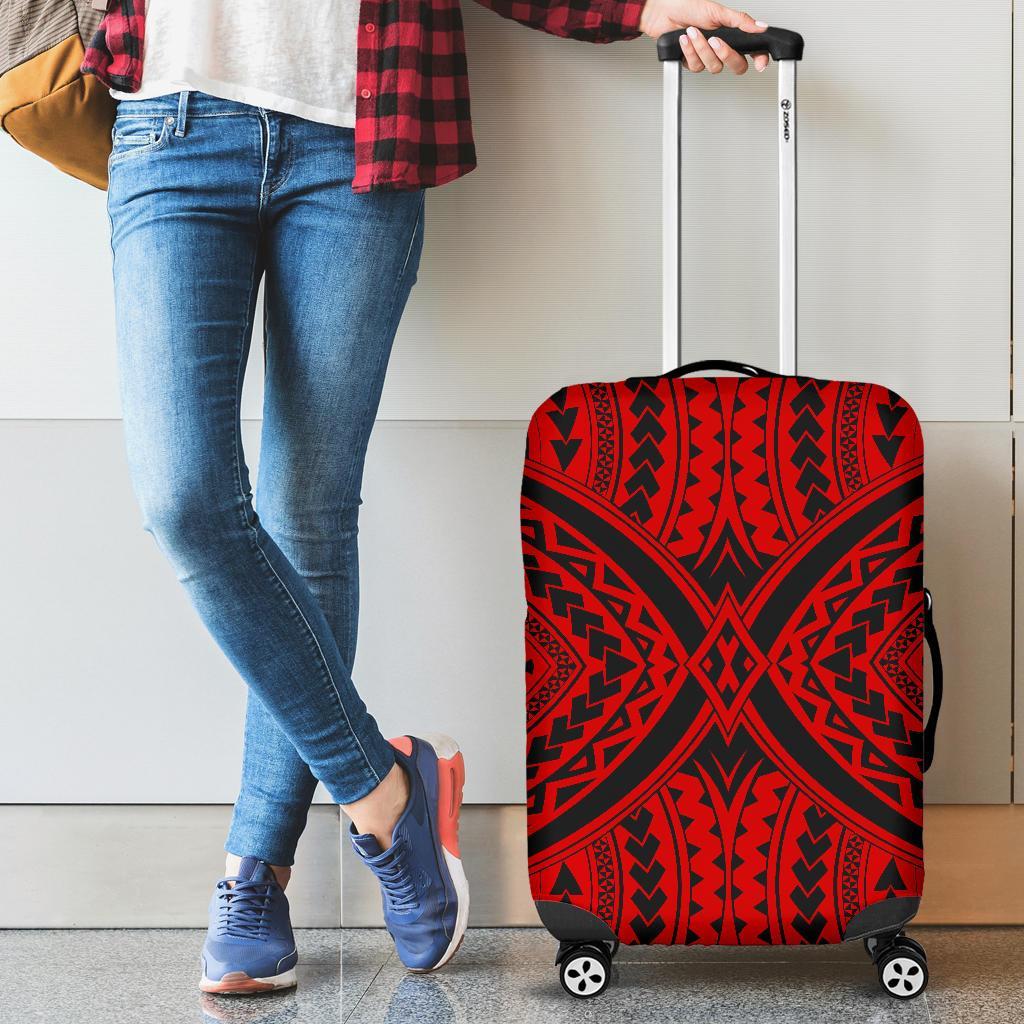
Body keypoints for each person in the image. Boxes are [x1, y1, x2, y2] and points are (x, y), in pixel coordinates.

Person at [80, 0, 771, 996]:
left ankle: (255, 873)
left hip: (357, 132)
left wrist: (639, 9)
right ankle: (385, 789)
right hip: (171, 124)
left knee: (309, 512)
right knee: (185, 501)